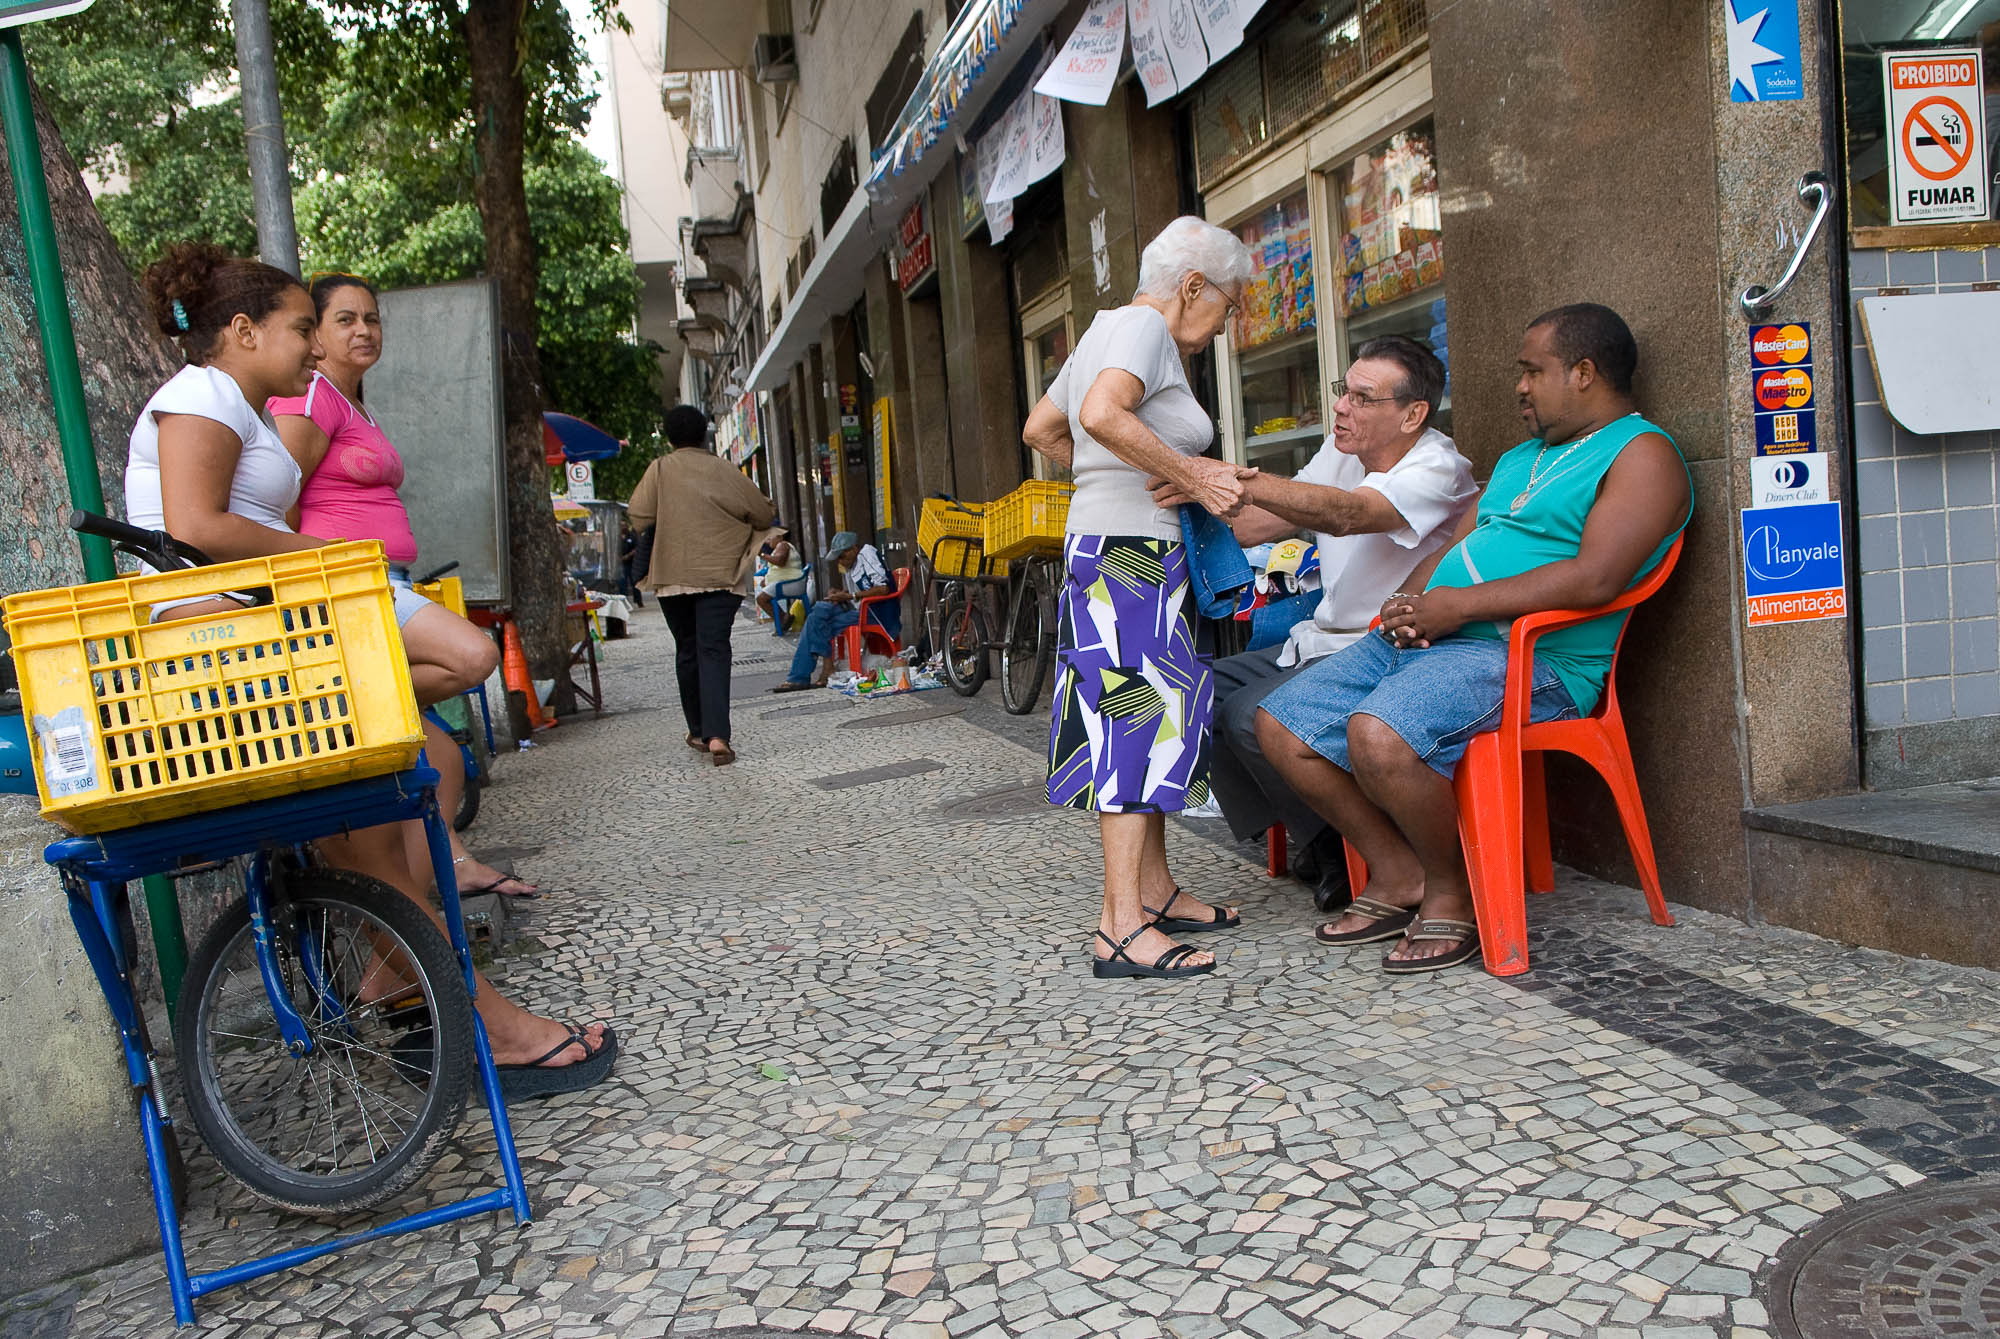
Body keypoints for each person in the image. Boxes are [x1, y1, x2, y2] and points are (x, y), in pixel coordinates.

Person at [128, 242, 614, 1095]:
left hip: (256, 642)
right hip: (226, 656)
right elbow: (194, 526)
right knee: (374, 850)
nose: (314, 345)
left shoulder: (237, 405)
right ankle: (490, 1027)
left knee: (402, 808)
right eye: (301, 328)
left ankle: (414, 990)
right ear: (242, 330)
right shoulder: (201, 394)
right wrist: (321, 554)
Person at [1255, 303, 1691, 973]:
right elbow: (1455, 548)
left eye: (1532, 371)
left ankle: (1452, 892)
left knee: (1380, 735)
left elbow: (1597, 577)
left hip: (1535, 658)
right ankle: (1398, 869)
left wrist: (1455, 607)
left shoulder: (1642, 454)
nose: (1519, 386)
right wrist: (1410, 604)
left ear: (1583, 372)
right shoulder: (1522, 458)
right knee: (1282, 724)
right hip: (1444, 638)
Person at [1155, 337, 1476, 907]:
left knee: (1251, 713)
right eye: (1342, 391)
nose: (1341, 408)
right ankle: (1310, 829)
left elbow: (1347, 513)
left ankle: (1339, 851)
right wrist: (1175, 508)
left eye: (1362, 398)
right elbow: (1258, 523)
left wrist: (1227, 478)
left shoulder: (1437, 466)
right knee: (1195, 689)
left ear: (1413, 415)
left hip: (1387, 650)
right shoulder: (1342, 450)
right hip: (1320, 640)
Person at [1018, 216, 1257, 981]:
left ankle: (1153, 892)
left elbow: (1043, 427)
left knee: (1148, 719)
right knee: (1134, 725)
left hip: (1115, 550)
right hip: (1131, 558)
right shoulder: (1146, 328)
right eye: (1228, 303)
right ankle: (1121, 927)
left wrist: (1112, 479)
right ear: (1193, 285)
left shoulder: (1104, 331)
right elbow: (1096, 416)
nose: (1226, 323)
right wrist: (1191, 475)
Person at [269, 272, 538, 901]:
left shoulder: (352, 401)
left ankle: (439, 882)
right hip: (348, 589)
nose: (363, 330)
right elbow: (277, 504)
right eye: (344, 319)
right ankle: (356, 693)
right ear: (314, 333)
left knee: (442, 762)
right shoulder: (311, 400)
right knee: (473, 655)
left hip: (385, 582)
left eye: (372, 318)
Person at [626, 404, 779, 763]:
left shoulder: (659, 468)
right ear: (704, 435)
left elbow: (639, 514)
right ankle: (718, 737)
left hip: (673, 576)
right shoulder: (724, 469)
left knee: (687, 650)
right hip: (720, 574)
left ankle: (697, 730)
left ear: (669, 438)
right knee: (714, 649)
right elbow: (762, 513)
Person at [769, 531, 895, 691]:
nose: (840, 562)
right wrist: (840, 593)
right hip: (858, 609)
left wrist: (850, 596)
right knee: (818, 614)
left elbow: (883, 588)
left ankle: (808, 674)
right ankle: (820, 670)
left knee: (817, 621)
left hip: (876, 612)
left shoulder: (867, 554)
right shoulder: (851, 566)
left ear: (854, 549)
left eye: (842, 556)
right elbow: (858, 592)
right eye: (838, 559)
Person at [753, 535, 804, 625]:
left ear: (780, 537)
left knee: (761, 599)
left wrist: (762, 554)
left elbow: (780, 561)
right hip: (791, 583)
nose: (768, 541)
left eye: (770, 538)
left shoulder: (782, 545)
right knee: (765, 595)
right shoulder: (780, 547)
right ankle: (784, 618)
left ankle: (783, 619)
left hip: (792, 584)